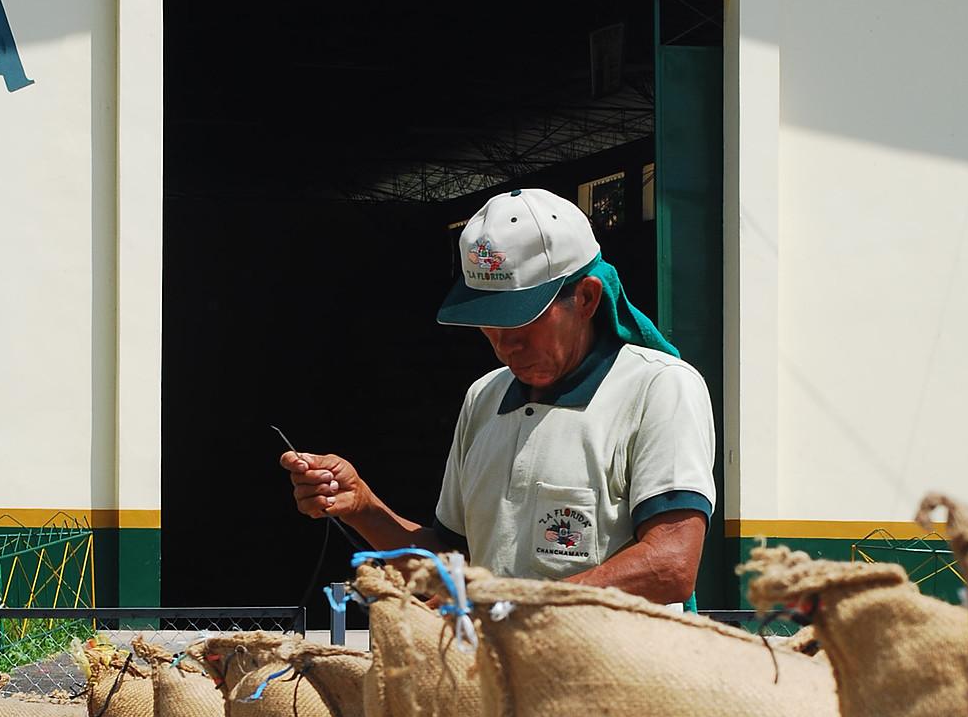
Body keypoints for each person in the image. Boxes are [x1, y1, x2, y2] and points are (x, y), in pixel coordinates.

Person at [283, 186, 716, 606]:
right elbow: (458, 567)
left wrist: (507, 606)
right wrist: (363, 507)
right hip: (498, 673)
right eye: (490, 323)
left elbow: (670, 565)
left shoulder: (658, 387)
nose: (505, 344)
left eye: (522, 321)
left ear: (585, 298)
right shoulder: (485, 397)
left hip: (615, 677)